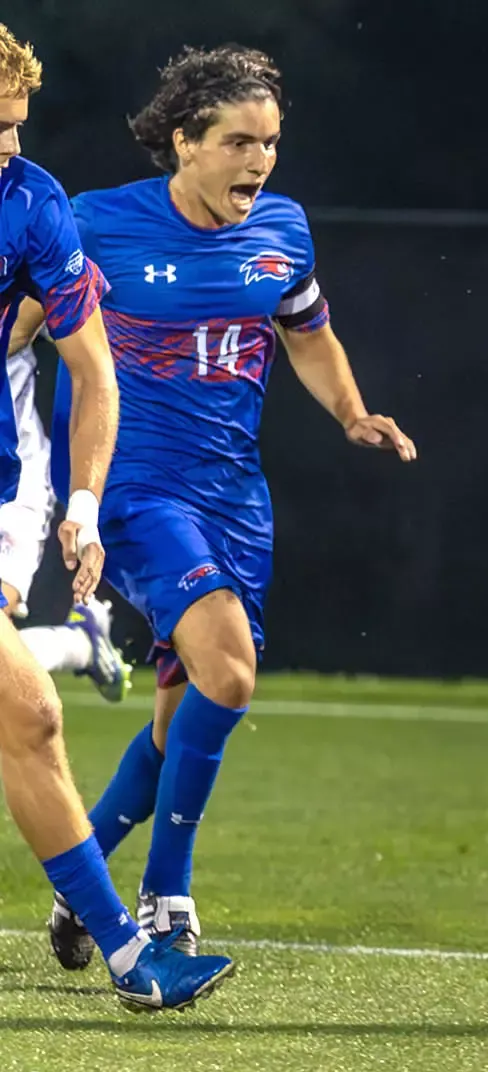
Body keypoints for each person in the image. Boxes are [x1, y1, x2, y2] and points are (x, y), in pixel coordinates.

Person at [45, 43, 416, 972]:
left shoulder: (282, 233)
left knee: (184, 713)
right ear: (184, 142)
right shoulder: (94, 225)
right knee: (232, 671)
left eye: (273, 143)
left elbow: (309, 336)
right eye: (241, 142)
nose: (261, 161)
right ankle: (167, 893)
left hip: (233, 497)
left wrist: (352, 412)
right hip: (132, 485)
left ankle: (75, 883)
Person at [0, 20, 234, 1010]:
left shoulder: (32, 205)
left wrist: (85, 506)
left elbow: (96, 375)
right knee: (33, 715)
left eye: (15, 125)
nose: (8, 148)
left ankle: (133, 964)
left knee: (29, 721)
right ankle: (136, 963)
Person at [2, 297, 133, 702]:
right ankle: (78, 643)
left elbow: (93, 370)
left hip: (10, 484)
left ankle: (77, 643)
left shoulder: (26, 250)